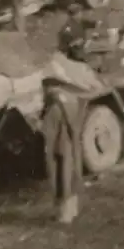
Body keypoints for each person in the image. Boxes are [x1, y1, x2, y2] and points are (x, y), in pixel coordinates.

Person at [41, 77, 86, 224]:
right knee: (72, 173)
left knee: (60, 176)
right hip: (71, 143)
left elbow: (48, 133)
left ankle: (64, 215)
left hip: (58, 145)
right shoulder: (71, 100)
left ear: (48, 88)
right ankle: (72, 210)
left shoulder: (52, 106)